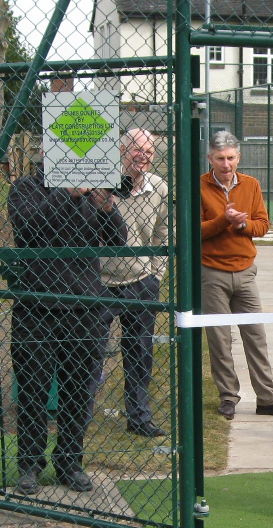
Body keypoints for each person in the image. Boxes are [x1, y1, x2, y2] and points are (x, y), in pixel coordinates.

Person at [9, 168, 127, 495]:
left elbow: (118, 241)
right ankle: (30, 464)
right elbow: (30, 229)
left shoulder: (92, 192)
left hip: (85, 307)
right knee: (33, 389)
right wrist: (68, 192)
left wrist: (107, 208)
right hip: (37, 306)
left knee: (78, 392)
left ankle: (70, 461)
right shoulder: (26, 187)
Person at [200, 131, 273, 420]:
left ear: (238, 157)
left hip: (245, 273)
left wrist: (242, 226)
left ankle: (267, 398)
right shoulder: (199, 186)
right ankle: (228, 397)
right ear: (210, 158)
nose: (226, 164)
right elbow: (195, 230)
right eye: (220, 158)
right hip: (212, 273)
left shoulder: (251, 185)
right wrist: (224, 221)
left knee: (255, 335)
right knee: (220, 339)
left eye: (231, 157)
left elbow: (262, 225)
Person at [89, 128, 169, 437]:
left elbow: (165, 233)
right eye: (137, 149)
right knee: (91, 352)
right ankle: (82, 413)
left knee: (140, 353)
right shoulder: (99, 187)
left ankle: (139, 417)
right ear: (121, 150)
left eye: (149, 152)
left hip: (141, 282)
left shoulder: (160, 189)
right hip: (100, 284)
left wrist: (156, 274)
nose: (143, 156)